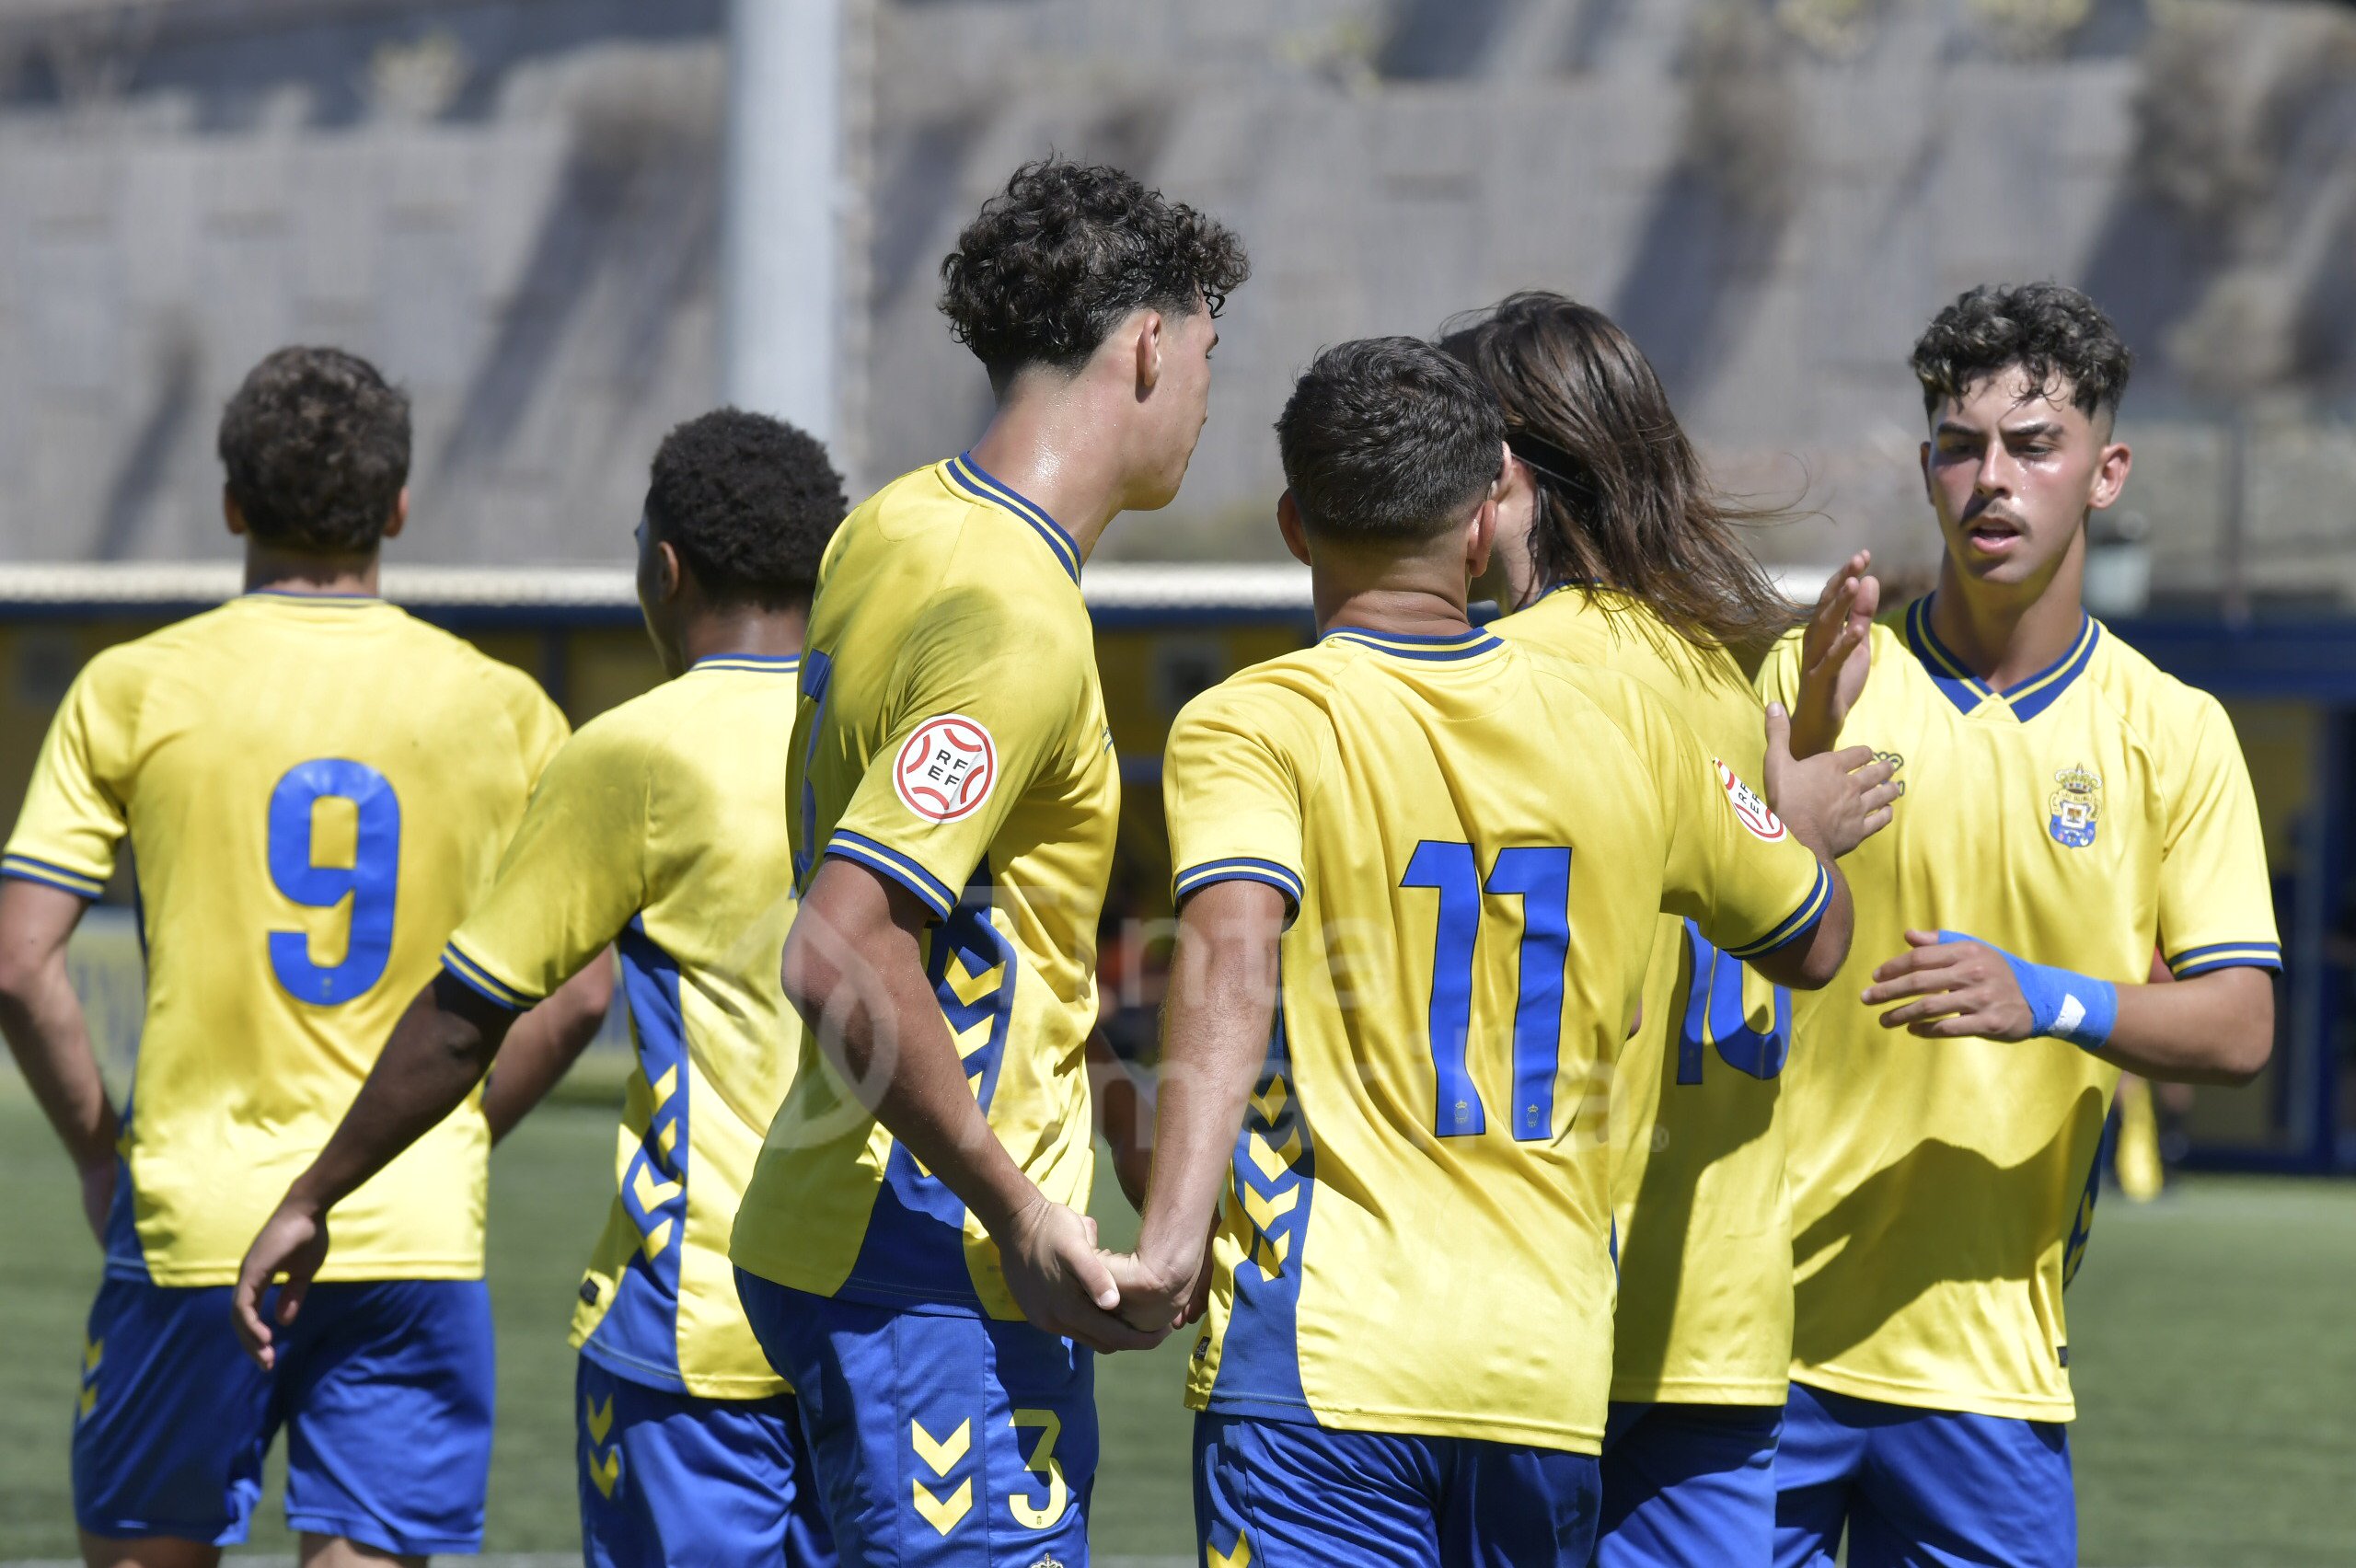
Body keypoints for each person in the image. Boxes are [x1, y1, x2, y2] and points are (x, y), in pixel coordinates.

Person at [1102, 338, 1884, 1566]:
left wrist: (1167, 1238)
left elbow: (1231, 953)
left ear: (1295, 525)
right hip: (1544, 1377)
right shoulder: (1635, 726)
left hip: (1322, 1368)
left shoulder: (1257, 721)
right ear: (1481, 521)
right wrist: (1783, 810)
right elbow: (1817, 937)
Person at [0, 347, 609, 1568]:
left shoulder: (132, 688)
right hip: (413, 1227)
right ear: (399, 508)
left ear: (233, 504)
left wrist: (101, 1155)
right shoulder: (503, 708)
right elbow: (585, 989)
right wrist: (448, 1134)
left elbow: (20, 964)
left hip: (194, 1217)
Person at [724, 156, 1248, 1566]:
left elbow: (972, 919)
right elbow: (840, 943)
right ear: (1150, 345)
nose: (1209, 398)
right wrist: (1017, 1211)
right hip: (927, 1259)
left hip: (861, 1226)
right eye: (1210, 355)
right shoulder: (1014, 609)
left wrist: (1103, 1124)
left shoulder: (889, 527)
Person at [234, 409, 849, 1568]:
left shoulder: (639, 750)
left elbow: (468, 1018)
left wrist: (313, 1193)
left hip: (696, 1329)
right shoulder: (895, 735)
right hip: (881, 1329)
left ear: (665, 570)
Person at [1761, 282, 2281, 1568]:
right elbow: (1702, 942)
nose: (1991, 479)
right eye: (1959, 446)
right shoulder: (1817, 676)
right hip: (1758, 1344)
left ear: (2106, 472)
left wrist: (2043, 997)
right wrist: (1800, 761)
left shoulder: (2174, 732)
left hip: (1987, 1364)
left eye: (2033, 446)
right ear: (1927, 468)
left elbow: (2240, 1026)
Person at [1440, 291, 1895, 1566]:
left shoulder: (1508, 680)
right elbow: (1782, 915)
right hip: (1717, 1304)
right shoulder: (1718, 669)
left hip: (1542, 1300)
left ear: (1503, 472)